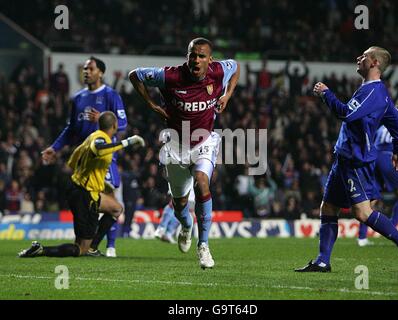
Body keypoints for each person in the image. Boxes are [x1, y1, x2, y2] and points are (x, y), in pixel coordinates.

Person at [295, 46, 398, 273]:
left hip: (355, 160)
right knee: (329, 208)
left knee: (362, 213)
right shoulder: (375, 91)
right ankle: (323, 260)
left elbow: (346, 113)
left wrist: (326, 93)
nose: (358, 58)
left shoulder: (373, 92)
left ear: (374, 63)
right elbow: (396, 122)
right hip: (343, 157)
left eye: (363, 56)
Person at [129, 37, 240, 269]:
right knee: (179, 206)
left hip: (205, 142)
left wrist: (227, 95)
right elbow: (135, 75)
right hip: (176, 148)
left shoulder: (219, 71)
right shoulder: (169, 76)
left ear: (210, 59)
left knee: (202, 182)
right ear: (187, 56)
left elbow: (237, 67)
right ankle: (186, 226)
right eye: (192, 55)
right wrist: (151, 105)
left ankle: (204, 245)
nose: (196, 60)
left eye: (201, 56)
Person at [18, 112, 145, 258]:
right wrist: (127, 142)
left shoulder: (91, 136)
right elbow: (99, 149)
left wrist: (93, 178)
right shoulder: (100, 139)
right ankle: (41, 250)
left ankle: (93, 248)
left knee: (116, 209)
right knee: (80, 248)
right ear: (114, 125)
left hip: (82, 189)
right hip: (85, 195)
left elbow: (73, 160)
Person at [41, 56, 127, 257]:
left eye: (90, 69)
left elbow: (122, 125)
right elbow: (70, 128)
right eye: (85, 69)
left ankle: (110, 246)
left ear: (101, 73)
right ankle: (88, 245)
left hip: (103, 158)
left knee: (109, 199)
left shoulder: (111, 95)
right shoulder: (78, 98)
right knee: (88, 201)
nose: (86, 72)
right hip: (83, 160)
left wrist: (102, 119)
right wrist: (55, 147)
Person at [358, 104, 398, 246]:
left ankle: (362, 238)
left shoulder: (384, 125)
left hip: (374, 159)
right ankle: (392, 232)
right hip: (390, 158)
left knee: (371, 199)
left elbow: (372, 142)